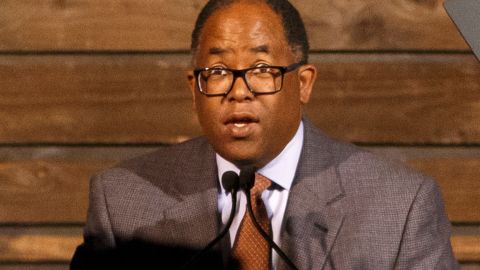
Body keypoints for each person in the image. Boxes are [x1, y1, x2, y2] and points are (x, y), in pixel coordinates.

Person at [71, 0, 459, 269]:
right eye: (219, 72)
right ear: (194, 88)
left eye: (261, 69)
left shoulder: (400, 206)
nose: (239, 91)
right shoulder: (122, 201)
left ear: (303, 83)